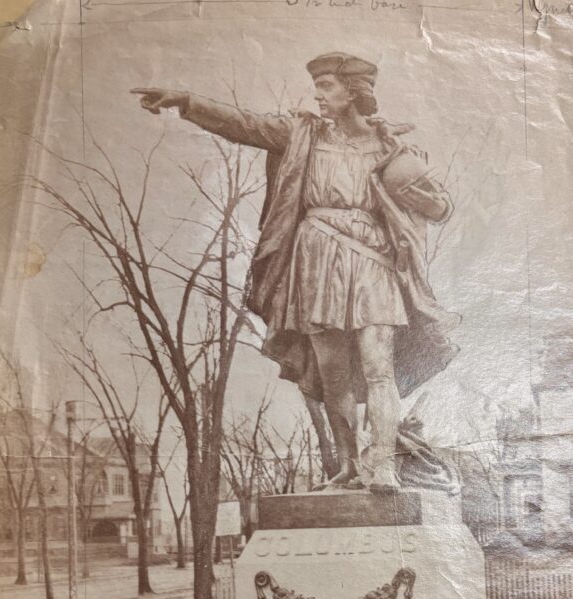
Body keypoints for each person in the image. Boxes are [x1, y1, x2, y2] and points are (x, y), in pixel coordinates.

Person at [133, 52, 458, 492]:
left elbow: (438, 206)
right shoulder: (301, 134)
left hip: (373, 259)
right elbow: (243, 124)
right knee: (332, 373)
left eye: (326, 85)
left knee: (378, 363)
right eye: (317, 86)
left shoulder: (391, 148)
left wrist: (423, 197)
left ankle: (382, 464)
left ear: (354, 90)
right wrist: (186, 100)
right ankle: (349, 467)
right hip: (317, 255)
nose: (318, 95)